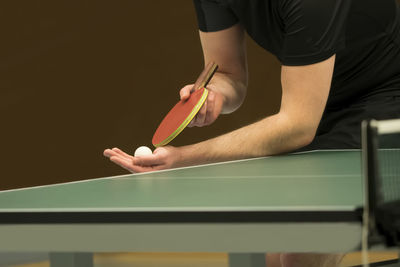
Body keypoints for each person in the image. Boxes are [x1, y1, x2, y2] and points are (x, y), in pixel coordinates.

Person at [104, 0, 400, 266]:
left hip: (386, 100)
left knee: (301, 252)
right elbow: (228, 74)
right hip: (319, 98)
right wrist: (214, 93)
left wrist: (183, 158)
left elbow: (297, 125)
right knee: (269, 255)